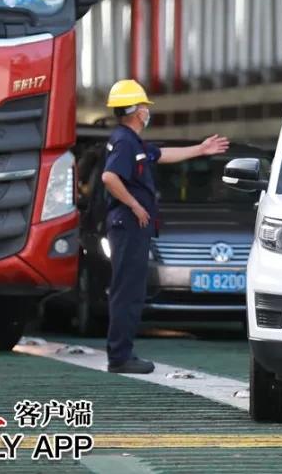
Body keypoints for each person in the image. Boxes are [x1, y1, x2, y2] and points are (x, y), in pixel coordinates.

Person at [99, 79, 229, 373]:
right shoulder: (123, 141)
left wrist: (200, 149)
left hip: (131, 226)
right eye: (144, 106)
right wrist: (134, 205)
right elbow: (109, 177)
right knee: (127, 291)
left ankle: (121, 354)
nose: (147, 111)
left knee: (130, 289)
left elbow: (162, 154)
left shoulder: (131, 141)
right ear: (135, 111)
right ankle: (120, 357)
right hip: (128, 225)